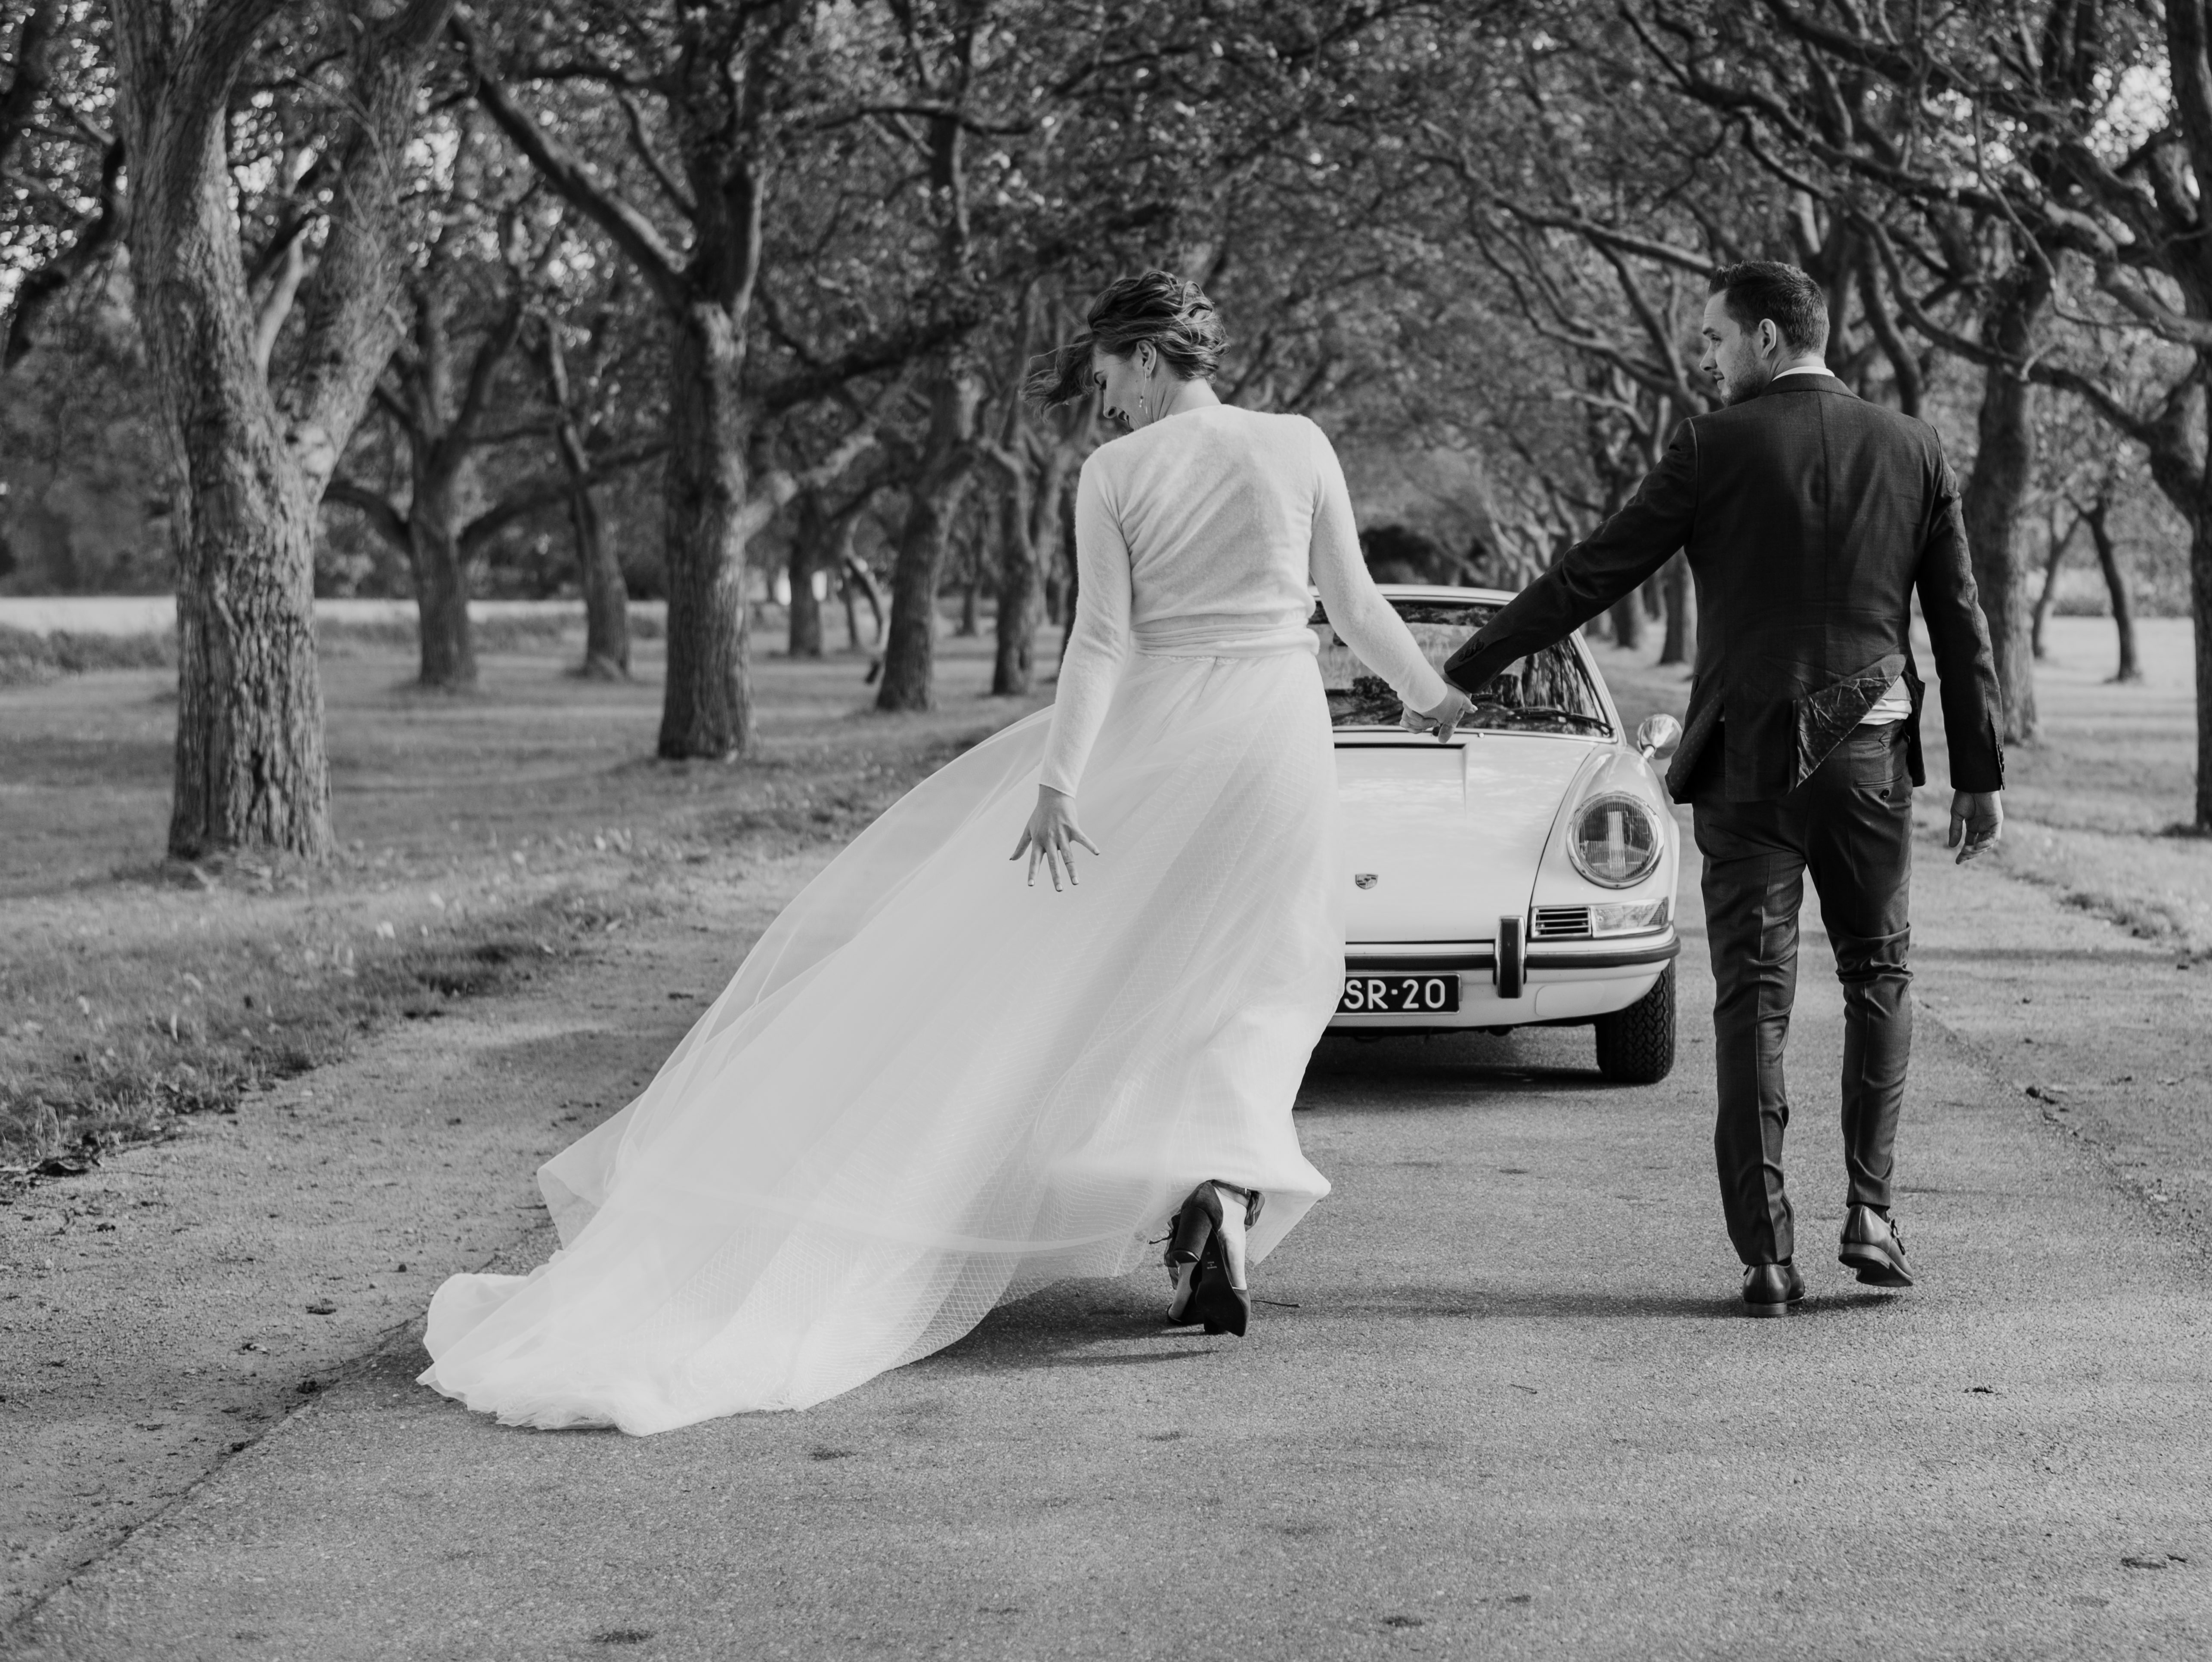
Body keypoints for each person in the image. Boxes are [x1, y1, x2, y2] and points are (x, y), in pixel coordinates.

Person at [419, 272, 1471, 1433]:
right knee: (1255, 974)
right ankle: (1214, 1182)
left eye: (1108, 370)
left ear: (1148, 353)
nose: (1102, 396)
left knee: (1121, 974)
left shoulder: (1116, 475)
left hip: (1161, 736)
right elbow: (1355, 603)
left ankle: (1196, 1187)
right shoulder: (1296, 442)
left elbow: (1103, 641)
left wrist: (1060, 779)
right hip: (1278, 737)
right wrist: (1428, 695)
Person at [1442, 259, 2005, 1318]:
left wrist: (1459, 675)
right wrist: (1978, 774)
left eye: (1711, 338)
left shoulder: (1712, 447)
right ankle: (1872, 1215)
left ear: (1765, 336)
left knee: (1752, 1001)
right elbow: (1960, 622)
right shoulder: (1913, 446)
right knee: (1880, 975)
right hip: (1869, 760)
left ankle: (1766, 1257)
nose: (1702, 357)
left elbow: (1588, 574)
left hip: (1748, 764)